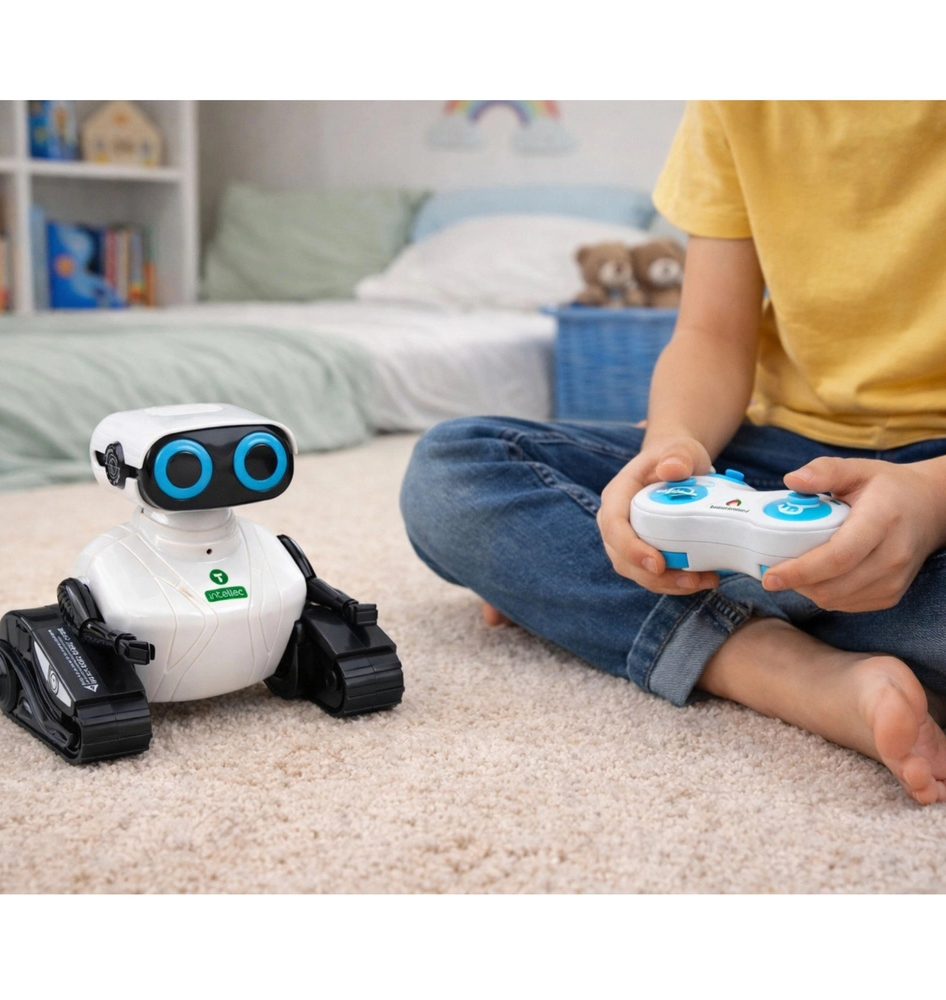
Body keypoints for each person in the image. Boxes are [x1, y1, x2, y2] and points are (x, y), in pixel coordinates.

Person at [399, 101, 946, 805]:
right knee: (453, 473)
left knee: (567, 549)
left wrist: (929, 500)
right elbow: (712, 334)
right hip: (780, 460)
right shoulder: (736, 99)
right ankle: (787, 671)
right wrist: (671, 445)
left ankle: (596, 598)